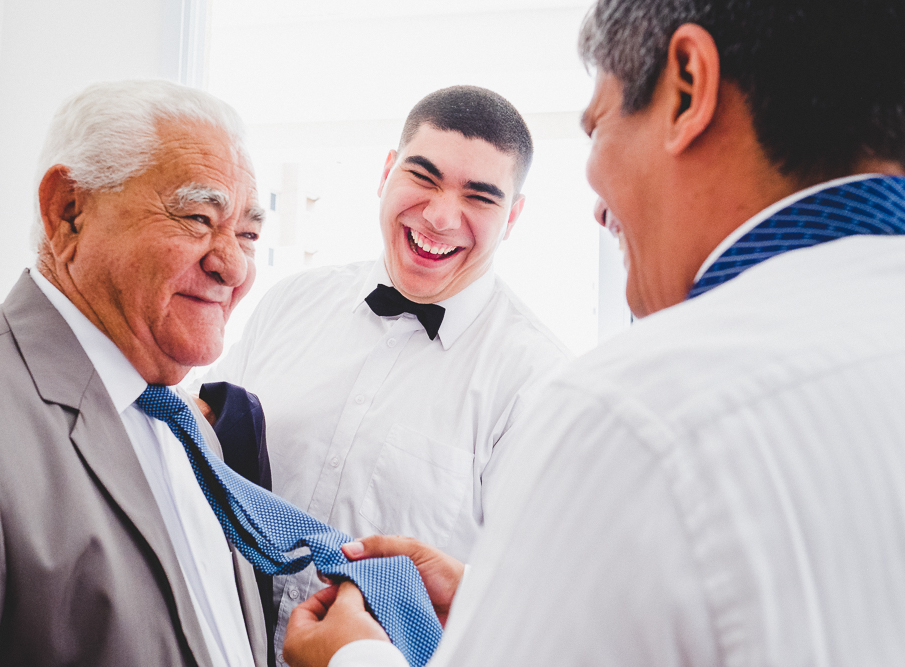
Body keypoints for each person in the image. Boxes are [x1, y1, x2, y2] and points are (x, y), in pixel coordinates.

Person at [282, 0, 905, 665]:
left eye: (598, 124)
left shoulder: (631, 410)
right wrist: (508, 608)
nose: (599, 206)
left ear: (687, 87)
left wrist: (352, 659)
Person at [0, 80, 272, 666]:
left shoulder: (188, 427)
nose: (232, 265)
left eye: (249, 235)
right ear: (68, 211)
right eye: (199, 217)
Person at [198, 85, 570, 661]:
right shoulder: (287, 304)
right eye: (423, 177)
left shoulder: (539, 385)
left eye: (480, 197)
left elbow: (539, 610)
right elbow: (205, 462)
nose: (442, 216)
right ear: (386, 173)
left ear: (513, 217)